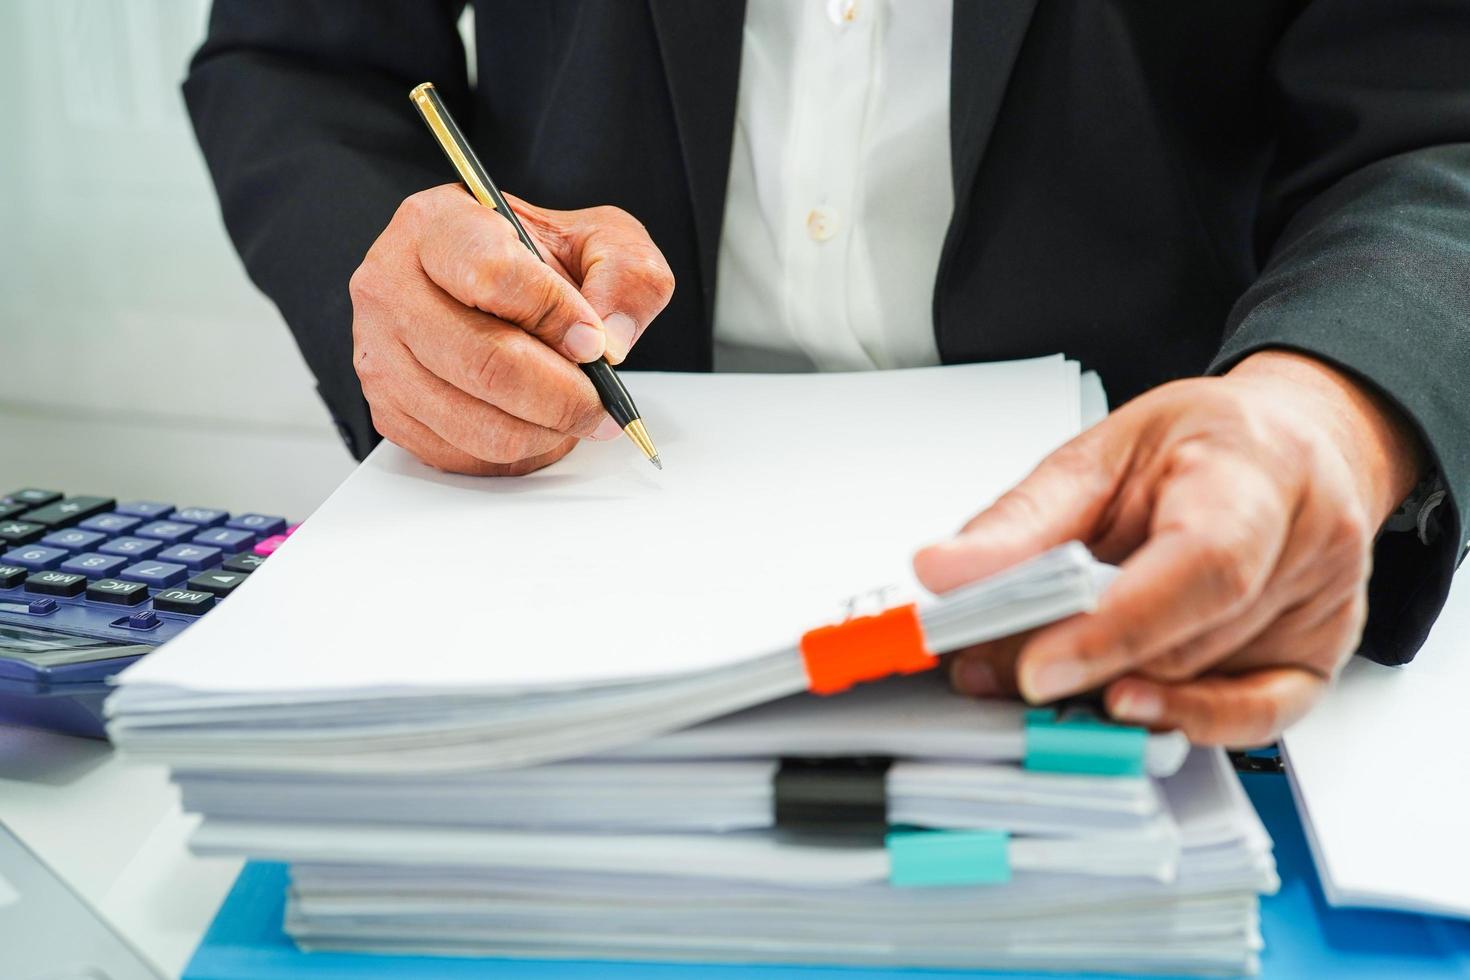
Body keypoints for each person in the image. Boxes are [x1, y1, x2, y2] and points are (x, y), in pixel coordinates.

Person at [183, 2, 1469, 747]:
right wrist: (423, 306)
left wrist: (1323, 413)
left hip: (1169, 562)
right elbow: (298, 55)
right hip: (551, 546)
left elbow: (1433, 125)